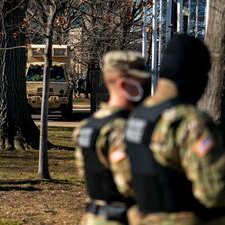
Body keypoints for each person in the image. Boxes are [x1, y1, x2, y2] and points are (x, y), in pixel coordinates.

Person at [122, 35, 225, 225]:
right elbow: (215, 192)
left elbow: (125, 183)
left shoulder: (137, 117)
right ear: (195, 75)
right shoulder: (188, 121)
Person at [73, 51, 150, 225]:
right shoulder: (121, 129)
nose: (146, 85)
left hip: (93, 217)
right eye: (141, 82)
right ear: (124, 84)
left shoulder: (86, 127)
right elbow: (131, 184)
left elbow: (85, 172)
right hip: (122, 218)